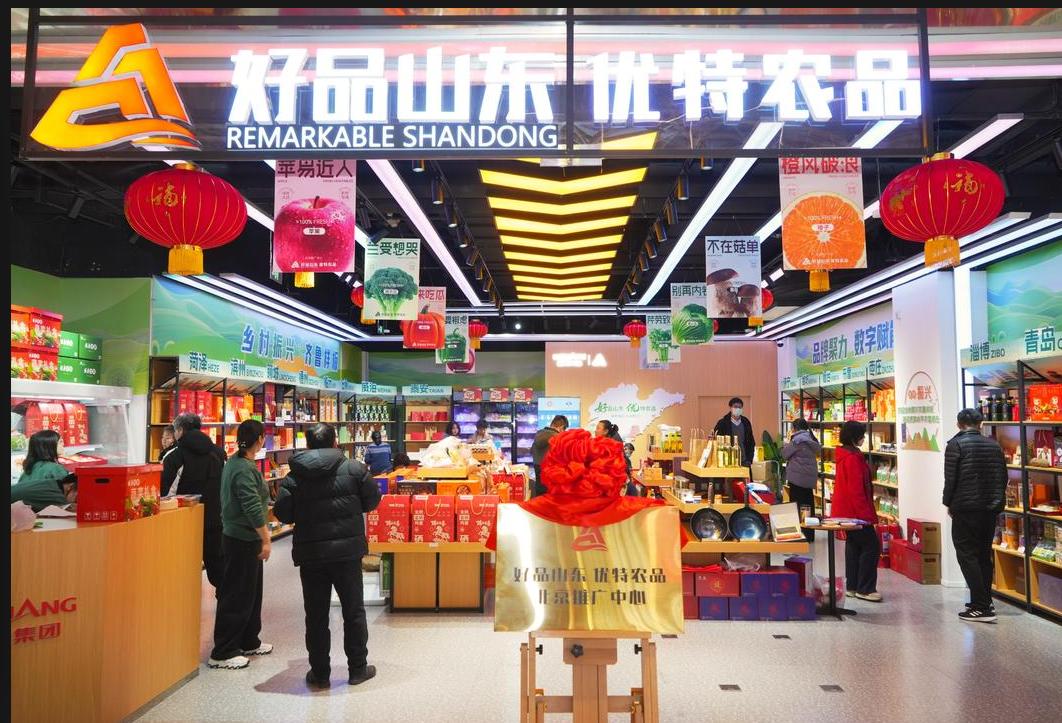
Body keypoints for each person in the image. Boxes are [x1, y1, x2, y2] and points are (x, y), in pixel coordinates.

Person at [274, 423, 382, 689]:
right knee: (353, 611)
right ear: (335, 442)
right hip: (347, 553)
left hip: (311, 554)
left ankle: (320, 673)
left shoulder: (295, 476)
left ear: (308, 445)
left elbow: (283, 513)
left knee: (316, 615)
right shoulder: (355, 469)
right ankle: (357, 669)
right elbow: (372, 500)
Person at [208, 420, 273, 670]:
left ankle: (248, 640)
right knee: (236, 595)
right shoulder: (243, 468)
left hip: (245, 537)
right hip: (241, 539)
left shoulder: (237, 463)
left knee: (250, 594)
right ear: (259, 439)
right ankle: (223, 651)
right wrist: (266, 538)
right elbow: (252, 506)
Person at [944, 408, 1008, 623]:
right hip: (989, 508)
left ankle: (981, 607)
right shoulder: (994, 445)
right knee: (983, 555)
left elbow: (951, 479)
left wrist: (948, 502)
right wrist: (997, 502)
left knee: (966, 555)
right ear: (981, 424)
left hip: (965, 508)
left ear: (958, 424)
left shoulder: (956, 445)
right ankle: (985, 601)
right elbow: (1003, 477)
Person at [162, 413, 227, 589]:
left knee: (183, 569)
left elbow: (166, 494)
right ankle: (225, 601)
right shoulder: (219, 452)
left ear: (180, 431)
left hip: (184, 523)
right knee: (218, 568)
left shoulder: (174, 457)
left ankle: (186, 603)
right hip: (216, 519)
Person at [831, 421, 882, 602]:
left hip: (846, 510)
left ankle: (852, 586)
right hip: (855, 512)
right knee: (871, 545)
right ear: (854, 437)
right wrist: (866, 516)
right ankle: (865, 588)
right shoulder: (852, 458)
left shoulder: (846, 455)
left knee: (854, 546)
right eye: (862, 435)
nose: (863, 438)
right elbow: (856, 490)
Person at [11, 430, 77, 512]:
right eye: (60, 442)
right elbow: (65, 500)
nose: (63, 444)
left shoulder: (28, 469)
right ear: (50, 445)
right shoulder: (56, 469)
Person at [782, 418, 822, 540]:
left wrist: (786, 443)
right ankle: (809, 534)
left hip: (797, 478)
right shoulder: (811, 438)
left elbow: (784, 454)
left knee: (797, 505)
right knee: (808, 504)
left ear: (794, 428)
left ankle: (799, 534)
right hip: (809, 479)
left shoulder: (797, 440)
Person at [531, 415, 568, 497]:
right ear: (561, 427)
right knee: (548, 495)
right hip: (550, 471)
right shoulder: (557, 437)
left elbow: (531, 451)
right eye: (564, 429)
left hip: (537, 468)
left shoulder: (539, 433)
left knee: (539, 493)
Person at [714, 397, 755, 467]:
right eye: (735, 407)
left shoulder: (746, 422)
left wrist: (749, 459)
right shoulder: (723, 423)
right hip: (727, 462)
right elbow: (716, 440)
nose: (738, 409)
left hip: (744, 460)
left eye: (740, 407)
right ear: (730, 408)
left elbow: (751, 442)